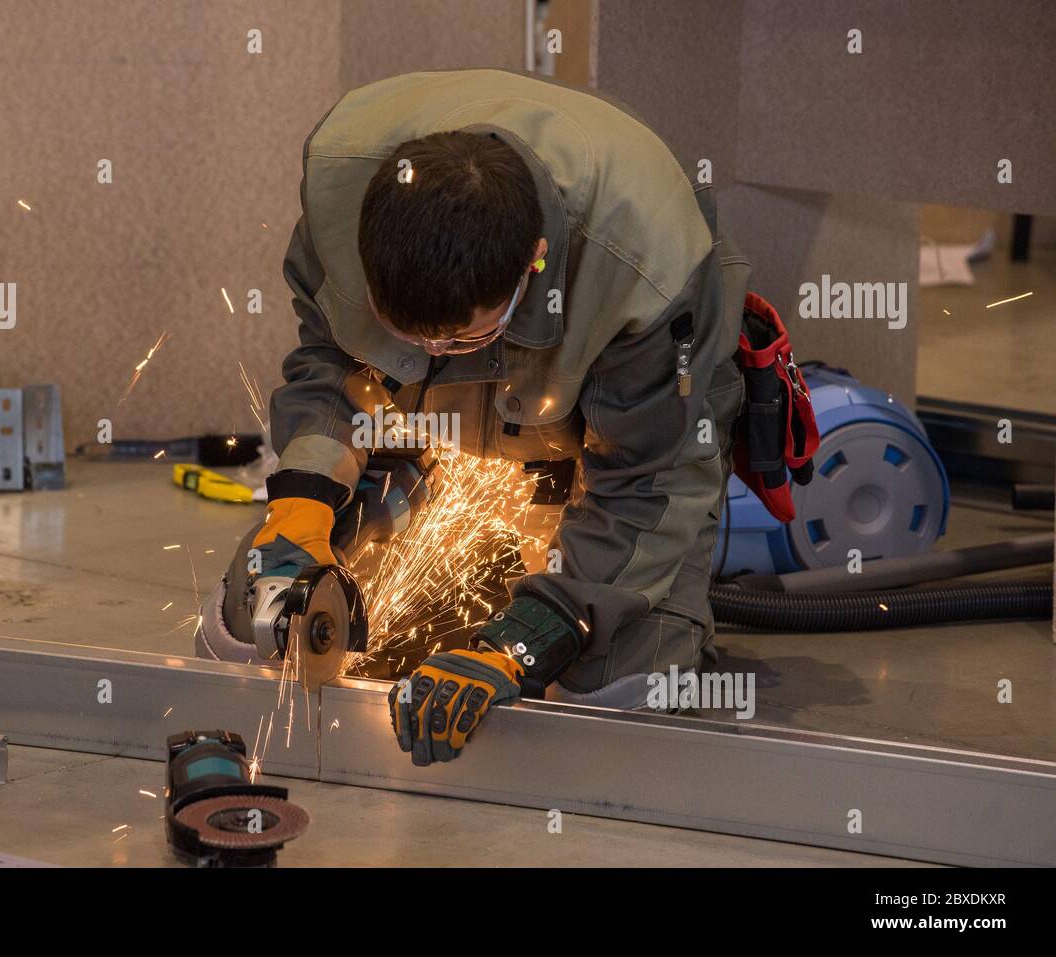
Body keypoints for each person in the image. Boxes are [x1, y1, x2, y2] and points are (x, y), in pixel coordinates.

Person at [244, 69, 749, 766]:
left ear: (532, 264)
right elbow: (332, 371)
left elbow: (651, 482)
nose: (431, 353)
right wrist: (299, 508)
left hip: (616, 438)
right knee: (266, 613)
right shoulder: (337, 203)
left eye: (460, 341)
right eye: (409, 336)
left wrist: (526, 640)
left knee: (615, 691)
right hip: (436, 419)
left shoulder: (645, 270)